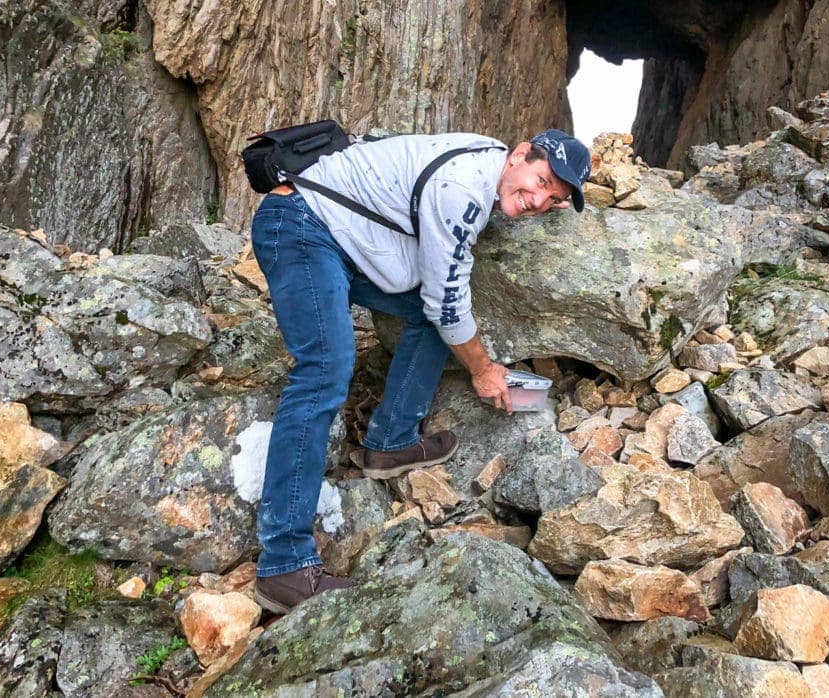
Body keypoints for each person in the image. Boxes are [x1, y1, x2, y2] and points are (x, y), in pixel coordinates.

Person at [250, 128, 591, 613]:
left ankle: (390, 443)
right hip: (301, 225)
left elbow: (443, 302)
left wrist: (537, 192)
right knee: (324, 371)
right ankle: (283, 565)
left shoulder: (491, 163)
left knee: (434, 320)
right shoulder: (462, 189)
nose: (538, 199)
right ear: (518, 155)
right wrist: (485, 370)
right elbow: (447, 302)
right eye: (540, 180)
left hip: (346, 240)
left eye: (551, 197)